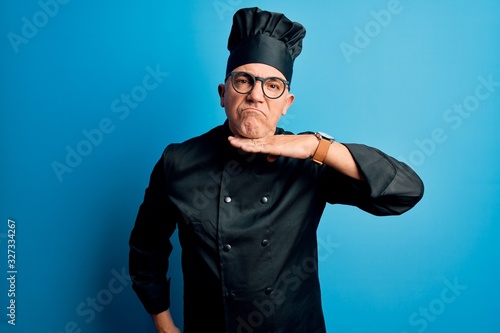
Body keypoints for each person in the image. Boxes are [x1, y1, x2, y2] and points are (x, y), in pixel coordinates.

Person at [129, 7, 424, 333]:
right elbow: (146, 249)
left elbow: (405, 190)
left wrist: (316, 147)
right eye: (243, 81)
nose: (256, 95)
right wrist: (164, 324)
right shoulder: (178, 162)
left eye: (272, 86)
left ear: (287, 102)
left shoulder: (310, 163)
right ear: (223, 95)